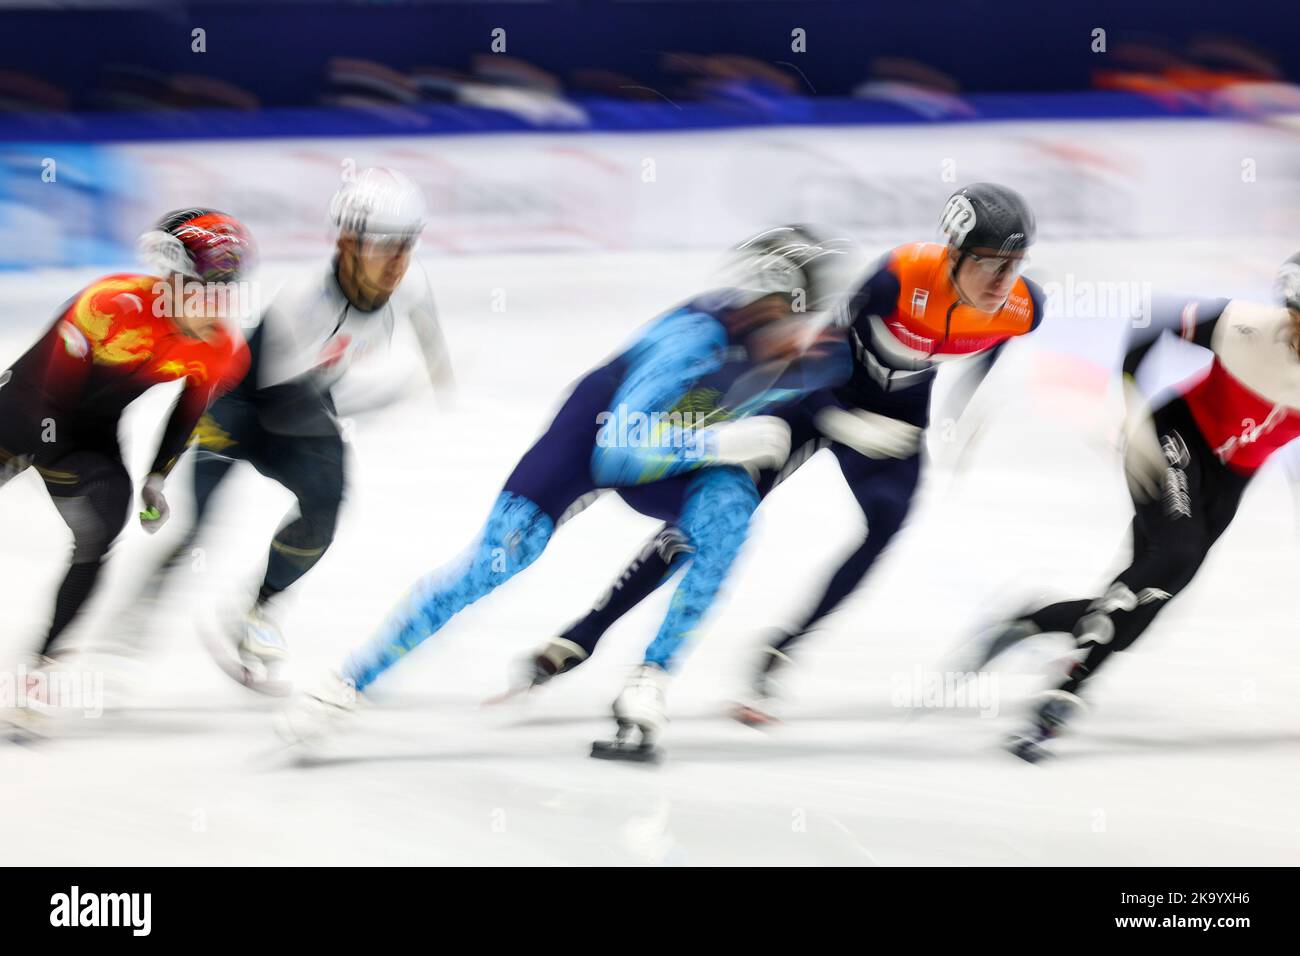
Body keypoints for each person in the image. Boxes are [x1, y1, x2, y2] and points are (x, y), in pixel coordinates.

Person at [279, 226, 852, 751]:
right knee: (497, 560)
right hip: (595, 441)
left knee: (731, 512)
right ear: (761, 307)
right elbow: (619, 455)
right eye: (792, 321)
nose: (801, 339)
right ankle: (347, 681)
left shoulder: (806, 358)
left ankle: (650, 680)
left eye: (810, 322)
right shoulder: (694, 339)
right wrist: (720, 445)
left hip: (672, 453)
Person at [517, 185, 1046, 726]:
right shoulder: (899, 276)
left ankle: (781, 651)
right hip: (821, 396)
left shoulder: (1025, 309)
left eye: (1015, 264)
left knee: (887, 522)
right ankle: (584, 633)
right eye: (990, 264)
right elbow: (815, 349)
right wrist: (834, 419)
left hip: (896, 418)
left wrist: (967, 409)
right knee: (718, 509)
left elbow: (992, 345)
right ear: (954, 253)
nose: (1003, 281)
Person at [962, 254, 1300, 761]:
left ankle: (1036, 620)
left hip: (1231, 478)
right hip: (1173, 437)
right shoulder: (1245, 325)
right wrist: (1130, 409)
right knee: (1176, 553)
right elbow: (1148, 325)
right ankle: (1063, 696)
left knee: (1151, 598)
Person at [128, 167, 453, 692]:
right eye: (384, 247)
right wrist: (386, 399)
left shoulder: (410, 282)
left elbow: (426, 326)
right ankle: (132, 622)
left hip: (308, 399)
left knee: (325, 507)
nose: (398, 263)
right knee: (195, 525)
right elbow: (283, 407)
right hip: (240, 405)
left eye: (408, 246)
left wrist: (443, 383)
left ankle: (256, 611)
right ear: (348, 243)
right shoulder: (302, 300)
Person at [0, 208, 253, 691]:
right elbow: (48, 397)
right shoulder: (110, 305)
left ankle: (39, 671)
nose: (216, 306)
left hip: (90, 435)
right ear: (172, 283)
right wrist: (18, 458)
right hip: (25, 410)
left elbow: (188, 410)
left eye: (226, 290)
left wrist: (157, 476)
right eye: (205, 289)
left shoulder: (223, 349)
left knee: (104, 528)